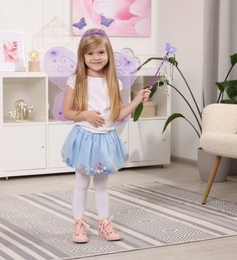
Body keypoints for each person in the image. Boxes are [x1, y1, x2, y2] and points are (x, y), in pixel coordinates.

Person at [61, 28, 151, 244]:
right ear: (82, 57)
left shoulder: (115, 82)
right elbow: (67, 112)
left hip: (106, 138)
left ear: (108, 54)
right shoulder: (76, 80)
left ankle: (104, 223)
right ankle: (79, 224)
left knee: (101, 185)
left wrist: (137, 100)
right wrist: (86, 115)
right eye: (90, 54)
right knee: (81, 183)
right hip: (85, 137)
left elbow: (118, 115)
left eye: (100, 52)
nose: (96, 58)